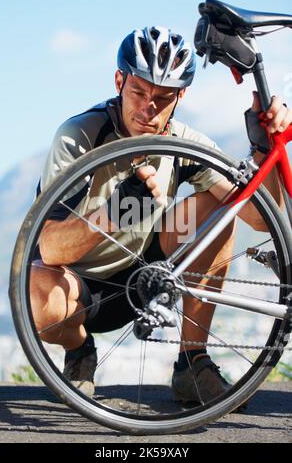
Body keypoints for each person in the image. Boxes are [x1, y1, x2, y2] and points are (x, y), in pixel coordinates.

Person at [31, 26, 292, 403]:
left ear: (181, 96)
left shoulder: (184, 142)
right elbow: (50, 248)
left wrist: (262, 151)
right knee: (39, 292)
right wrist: (115, 213)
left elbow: (256, 216)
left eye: (163, 97)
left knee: (218, 205)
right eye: (138, 92)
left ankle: (192, 361)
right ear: (119, 80)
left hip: (145, 277)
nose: (148, 108)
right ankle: (80, 351)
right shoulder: (80, 136)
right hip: (78, 286)